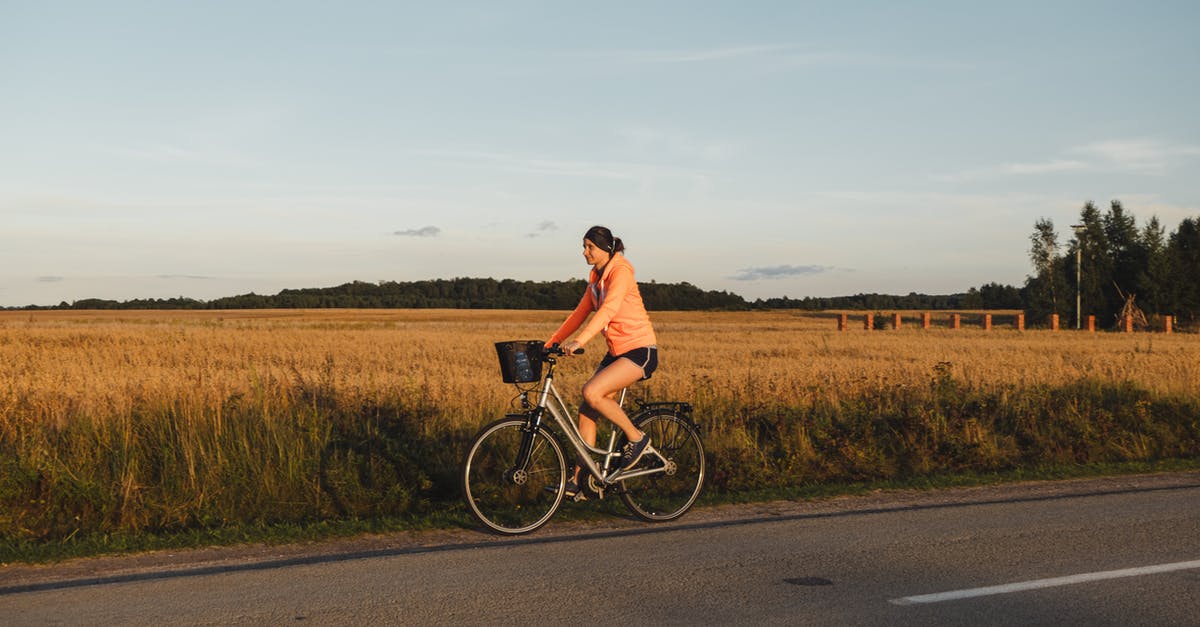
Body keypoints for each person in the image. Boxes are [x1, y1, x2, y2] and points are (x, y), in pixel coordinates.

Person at [546, 225, 658, 499]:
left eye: (589, 247)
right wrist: (551, 342)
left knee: (592, 392)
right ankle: (580, 481)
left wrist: (580, 342)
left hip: (639, 350)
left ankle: (637, 438)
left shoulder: (621, 272)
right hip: (617, 352)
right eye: (583, 247)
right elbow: (580, 313)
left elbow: (608, 310)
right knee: (587, 408)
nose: (585, 252)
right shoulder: (596, 277)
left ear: (606, 249)